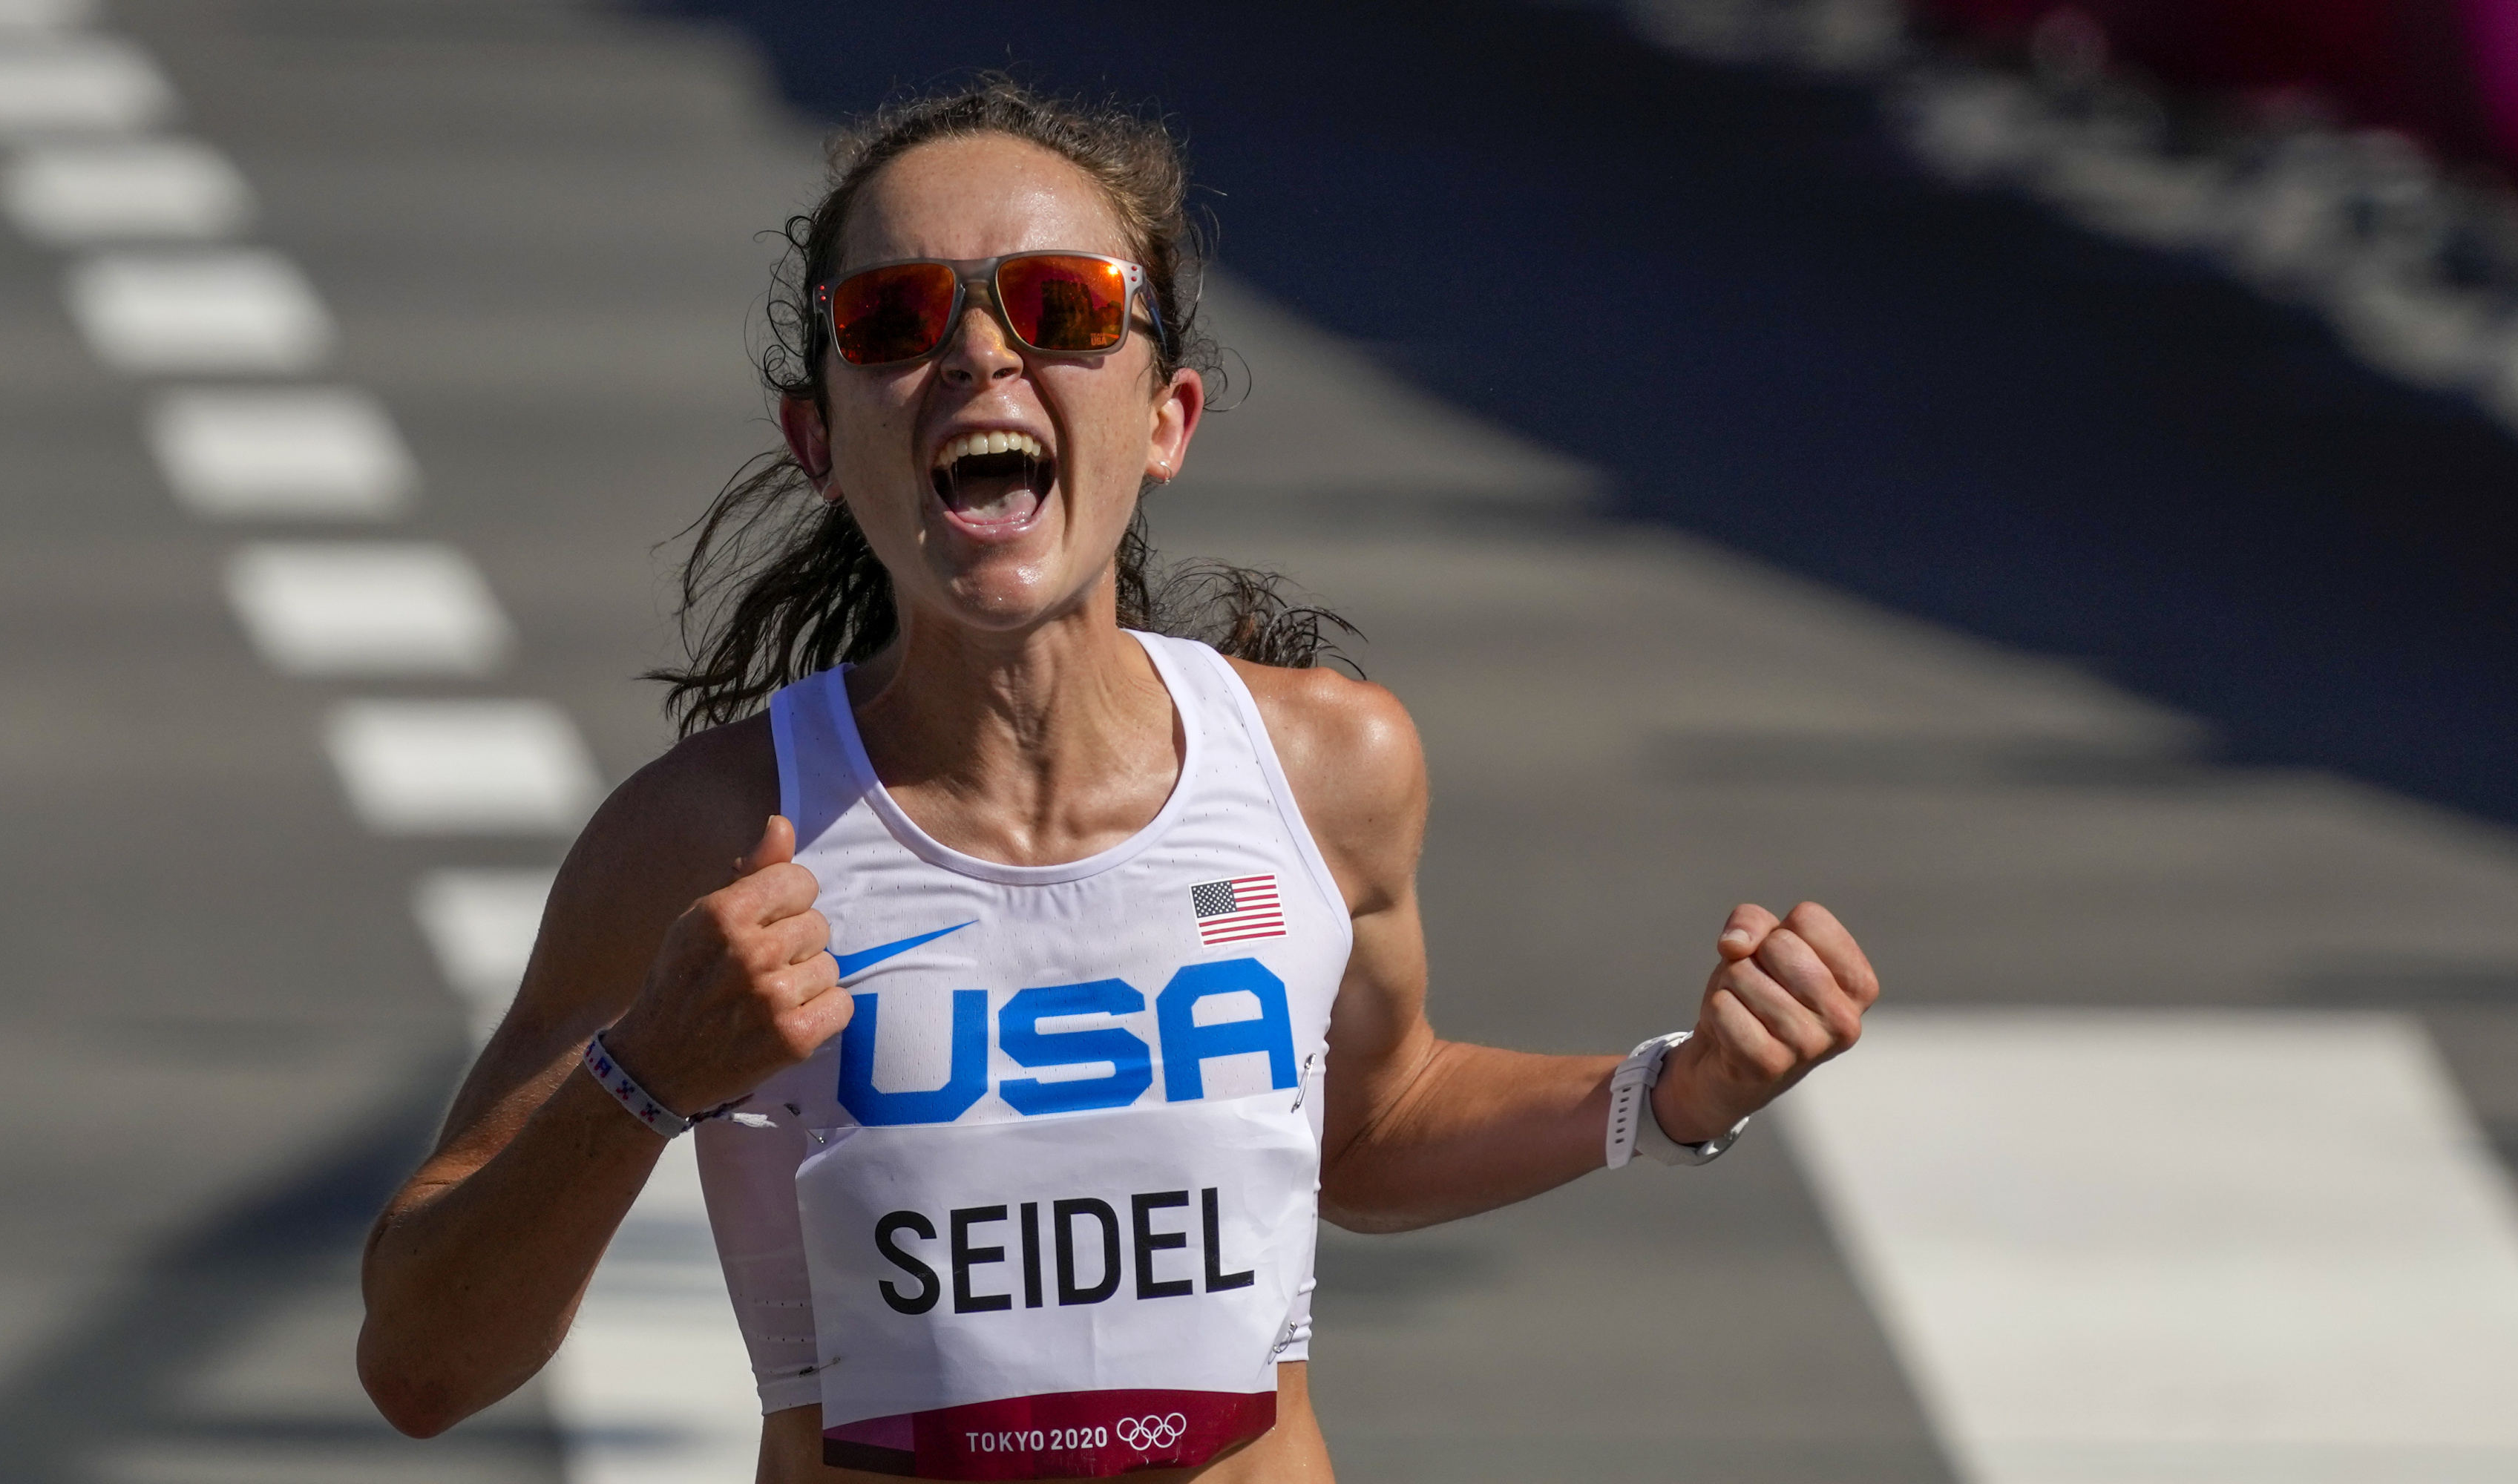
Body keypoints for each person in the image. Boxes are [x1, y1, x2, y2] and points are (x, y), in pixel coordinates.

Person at [357, 79, 1881, 1483]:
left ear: (1166, 419)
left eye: (1058, 305)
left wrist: (1666, 1096)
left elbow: (1366, 1121)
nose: (976, 353)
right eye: (895, 316)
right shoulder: (705, 839)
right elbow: (423, 1364)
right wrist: (645, 1074)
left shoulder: (1327, 766)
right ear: (818, 439)